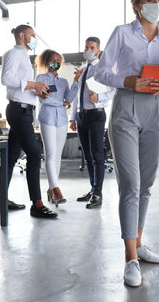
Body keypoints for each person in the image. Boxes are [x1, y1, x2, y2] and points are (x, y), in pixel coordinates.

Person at [94, 0, 159, 287]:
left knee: (146, 184)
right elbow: (101, 72)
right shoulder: (122, 33)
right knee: (130, 184)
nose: (156, 3)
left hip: (156, 111)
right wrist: (127, 81)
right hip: (126, 109)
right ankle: (130, 257)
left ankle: (139, 244)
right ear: (137, 5)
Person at [0, 24, 58, 219]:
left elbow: (21, 85)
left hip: (23, 109)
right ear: (22, 36)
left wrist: (37, 91)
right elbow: (6, 79)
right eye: (32, 34)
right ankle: (37, 204)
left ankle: (0, 199)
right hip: (18, 111)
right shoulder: (14, 53)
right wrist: (34, 84)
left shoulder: (23, 56)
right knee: (34, 153)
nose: (35, 37)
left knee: (12, 155)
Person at [69, 37, 115, 209]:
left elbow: (113, 90)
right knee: (87, 156)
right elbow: (76, 96)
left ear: (98, 51)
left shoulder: (103, 69)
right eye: (86, 46)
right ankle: (92, 189)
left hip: (96, 115)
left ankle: (97, 193)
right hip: (82, 116)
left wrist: (99, 98)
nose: (88, 49)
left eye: (92, 47)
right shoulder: (82, 70)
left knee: (97, 156)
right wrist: (73, 117)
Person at [35, 49, 77, 206]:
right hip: (48, 119)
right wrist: (62, 103)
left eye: (58, 60)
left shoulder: (63, 82)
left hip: (62, 121)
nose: (56, 62)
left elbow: (70, 98)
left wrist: (77, 82)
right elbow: (45, 99)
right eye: (53, 59)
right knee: (50, 154)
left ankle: (52, 190)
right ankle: (56, 188)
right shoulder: (40, 78)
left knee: (58, 156)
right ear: (46, 61)